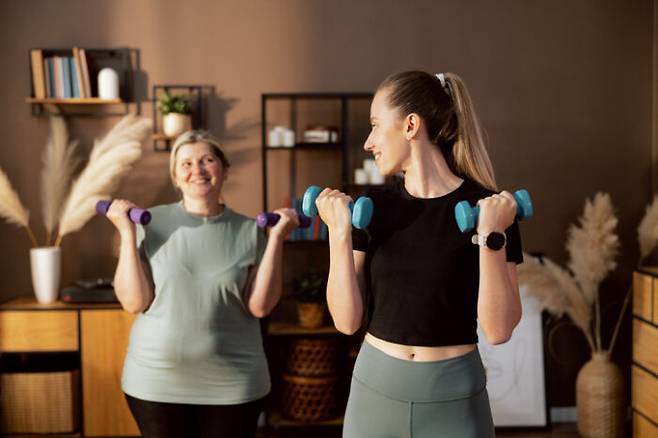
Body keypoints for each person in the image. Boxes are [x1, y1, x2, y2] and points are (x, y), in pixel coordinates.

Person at [315, 71, 524, 438]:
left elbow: (499, 329)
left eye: (376, 125)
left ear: (410, 125)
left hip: (455, 398)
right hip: (375, 393)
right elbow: (347, 322)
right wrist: (338, 234)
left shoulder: (489, 210)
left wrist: (491, 236)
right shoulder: (372, 209)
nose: (368, 142)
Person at [106, 130, 298, 438]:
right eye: (186, 163)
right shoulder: (147, 224)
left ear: (224, 170)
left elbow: (259, 306)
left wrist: (276, 239)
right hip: (156, 383)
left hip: (233, 385)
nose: (197, 169)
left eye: (207, 160)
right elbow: (133, 302)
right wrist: (127, 234)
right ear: (176, 177)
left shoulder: (250, 230)